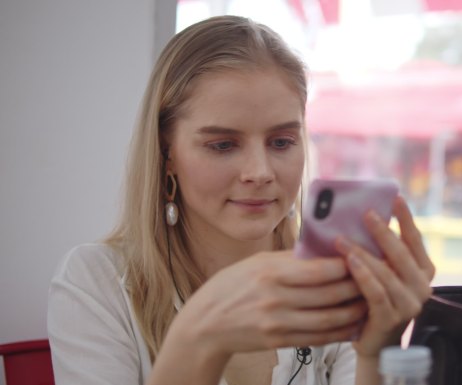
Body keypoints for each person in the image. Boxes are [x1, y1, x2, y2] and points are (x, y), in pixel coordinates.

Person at [47, 15, 435, 385]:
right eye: (223, 145)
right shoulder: (98, 283)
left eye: (282, 142)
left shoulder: (332, 283)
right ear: (167, 154)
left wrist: (376, 352)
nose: (260, 171)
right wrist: (199, 336)